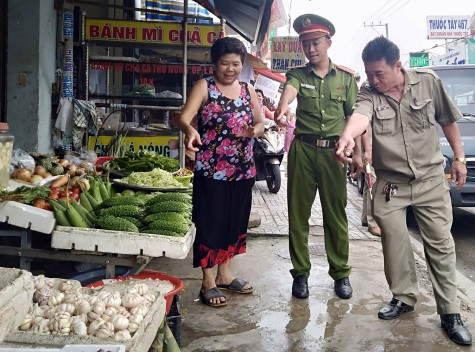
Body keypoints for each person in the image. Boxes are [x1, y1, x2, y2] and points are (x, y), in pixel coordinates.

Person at [335, 36, 472, 346]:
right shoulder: (369, 91)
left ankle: (450, 312)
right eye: (368, 73)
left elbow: (448, 120)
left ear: (398, 66)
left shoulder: (427, 82)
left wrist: (460, 158)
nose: (372, 79)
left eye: (379, 73)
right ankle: (404, 297)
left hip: (429, 181)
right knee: (394, 243)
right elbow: (360, 116)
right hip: (391, 184)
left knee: (440, 244)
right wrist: (346, 136)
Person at [274, 14, 362, 300]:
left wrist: (359, 155)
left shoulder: (346, 79)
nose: (311, 49)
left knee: (335, 215)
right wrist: (283, 107)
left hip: (334, 154)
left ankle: (341, 274)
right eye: (306, 44)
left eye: (315, 43)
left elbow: (354, 118)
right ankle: (300, 274)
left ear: (328, 42)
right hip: (303, 150)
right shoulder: (298, 74)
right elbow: (289, 93)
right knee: (298, 214)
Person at [177, 37, 265, 308]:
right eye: (225, 63)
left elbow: (261, 122)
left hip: (242, 170)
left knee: (234, 222)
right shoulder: (205, 86)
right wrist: (190, 130)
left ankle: (225, 274)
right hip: (211, 169)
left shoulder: (248, 90)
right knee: (209, 223)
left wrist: (255, 131)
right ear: (215, 64)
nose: (230, 69)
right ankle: (208, 281)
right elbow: (183, 117)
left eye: (236, 64)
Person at [360, 127, 381, 237]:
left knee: (368, 186)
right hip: (369, 153)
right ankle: (373, 224)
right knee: (373, 185)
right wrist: (367, 150)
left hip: (371, 152)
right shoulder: (367, 111)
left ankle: (366, 218)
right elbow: (363, 130)